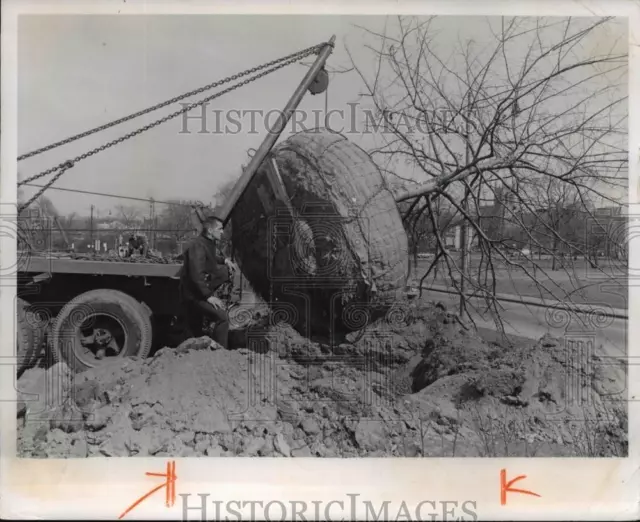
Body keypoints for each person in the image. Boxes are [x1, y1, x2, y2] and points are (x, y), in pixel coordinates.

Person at [179, 213, 235, 349]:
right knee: (222, 318)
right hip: (195, 296)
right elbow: (196, 274)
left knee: (195, 329)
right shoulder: (198, 246)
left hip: (197, 294)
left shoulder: (206, 244)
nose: (222, 232)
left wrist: (225, 260)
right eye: (220, 229)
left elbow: (210, 259)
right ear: (210, 230)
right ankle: (221, 352)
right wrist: (208, 297)